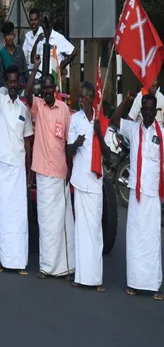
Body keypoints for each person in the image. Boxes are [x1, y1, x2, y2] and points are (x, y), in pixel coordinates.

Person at [25, 54, 75, 279]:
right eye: (43, 88)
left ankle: (63, 266)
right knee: (45, 223)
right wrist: (35, 67)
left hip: (60, 172)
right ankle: (46, 266)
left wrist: (70, 171)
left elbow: (68, 142)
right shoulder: (37, 107)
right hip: (43, 174)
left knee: (61, 223)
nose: (46, 91)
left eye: (49, 87)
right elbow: (27, 94)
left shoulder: (64, 110)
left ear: (54, 88)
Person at [111, 91, 163, 300]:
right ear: (141, 111)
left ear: (155, 110)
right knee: (134, 239)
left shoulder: (161, 133)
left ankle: (152, 285)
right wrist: (127, 99)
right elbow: (114, 120)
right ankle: (133, 282)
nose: (149, 113)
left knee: (151, 240)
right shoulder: (133, 129)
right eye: (145, 109)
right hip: (135, 194)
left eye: (152, 109)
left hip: (152, 195)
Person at [0, 60, 33, 274]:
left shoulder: (25, 109)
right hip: (3, 166)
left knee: (20, 215)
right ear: (7, 82)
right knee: (4, 215)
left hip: (19, 168)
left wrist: (30, 170)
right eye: (10, 82)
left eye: (16, 82)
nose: (13, 85)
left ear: (20, 84)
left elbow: (28, 142)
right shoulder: (1, 101)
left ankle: (20, 263)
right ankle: (3, 261)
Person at [67, 81, 111, 292]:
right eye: (80, 96)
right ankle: (80, 275)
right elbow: (67, 151)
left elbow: (109, 157)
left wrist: (99, 134)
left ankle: (95, 278)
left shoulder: (100, 120)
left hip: (94, 183)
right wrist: (76, 143)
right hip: (79, 180)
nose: (81, 99)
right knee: (80, 230)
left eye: (84, 97)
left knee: (94, 231)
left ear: (92, 98)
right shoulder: (74, 119)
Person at [30, 12, 76, 92]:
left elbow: (74, 51)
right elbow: (32, 60)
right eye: (44, 23)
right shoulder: (39, 37)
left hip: (53, 79)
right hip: (39, 78)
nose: (45, 25)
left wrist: (62, 66)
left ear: (51, 24)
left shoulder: (58, 38)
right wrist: (36, 42)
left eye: (47, 23)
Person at [0, 22, 28, 89]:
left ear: (14, 35)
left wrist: (27, 85)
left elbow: (25, 70)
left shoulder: (20, 51)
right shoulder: (1, 54)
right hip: (8, 88)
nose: (10, 37)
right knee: (2, 90)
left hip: (21, 86)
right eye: (7, 35)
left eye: (11, 34)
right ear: (4, 36)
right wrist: (9, 86)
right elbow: (1, 77)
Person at [23, 7, 43, 82]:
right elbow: (24, 57)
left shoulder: (45, 35)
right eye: (31, 20)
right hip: (29, 76)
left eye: (35, 20)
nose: (33, 22)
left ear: (39, 20)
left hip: (41, 76)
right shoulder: (27, 36)